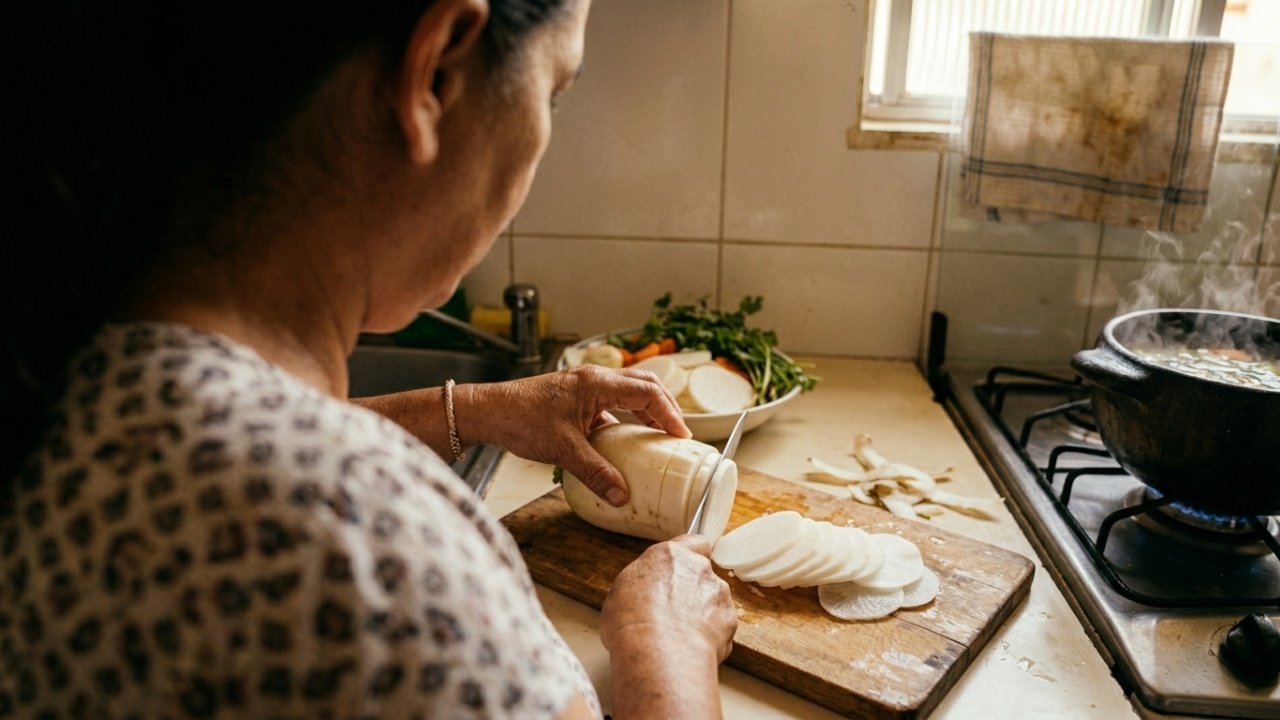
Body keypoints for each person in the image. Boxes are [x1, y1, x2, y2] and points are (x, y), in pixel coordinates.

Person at [0, 1, 738, 717]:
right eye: (554, 91)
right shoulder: (370, 552)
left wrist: (473, 410)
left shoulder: (70, 362)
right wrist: (662, 646)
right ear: (435, 76)